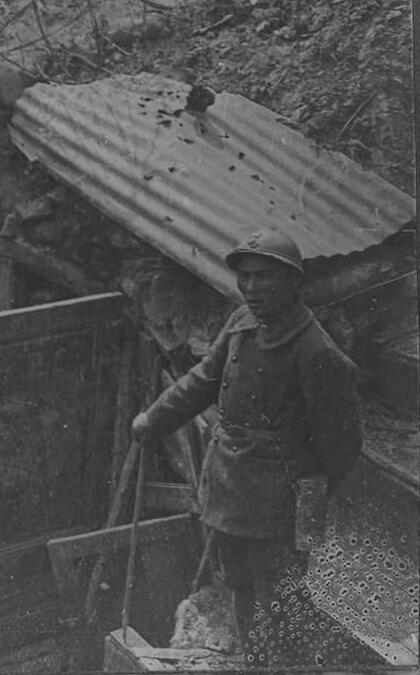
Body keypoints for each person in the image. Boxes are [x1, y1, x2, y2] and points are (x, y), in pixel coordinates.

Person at [131, 228, 375, 668]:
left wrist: (311, 495)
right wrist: (154, 418)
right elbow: (203, 380)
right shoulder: (242, 323)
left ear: (294, 284)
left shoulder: (315, 351)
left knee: (281, 601)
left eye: (265, 278)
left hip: (277, 503)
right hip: (229, 489)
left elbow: (342, 443)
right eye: (245, 277)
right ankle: (256, 663)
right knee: (241, 587)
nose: (251, 288)